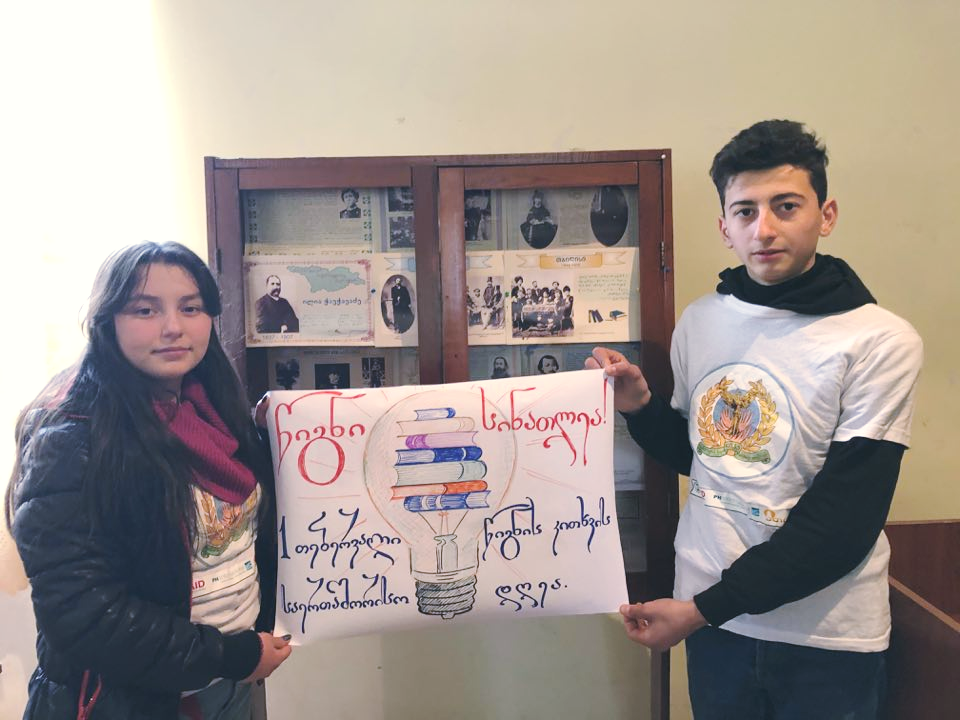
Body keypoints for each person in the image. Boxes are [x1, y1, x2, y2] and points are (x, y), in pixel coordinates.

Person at [588, 120, 922, 719]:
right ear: (725, 227)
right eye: (745, 211)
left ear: (826, 215)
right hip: (715, 625)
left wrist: (703, 609)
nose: (763, 229)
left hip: (825, 635)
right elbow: (706, 457)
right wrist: (640, 408)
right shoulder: (702, 321)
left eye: (785, 206)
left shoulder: (880, 341)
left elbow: (844, 522)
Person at [6, 242, 293, 719]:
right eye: (145, 310)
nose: (173, 327)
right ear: (107, 320)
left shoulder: (215, 411)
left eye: (190, 308)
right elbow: (84, 614)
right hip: (127, 703)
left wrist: (278, 435)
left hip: (227, 687)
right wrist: (233, 656)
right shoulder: (71, 437)